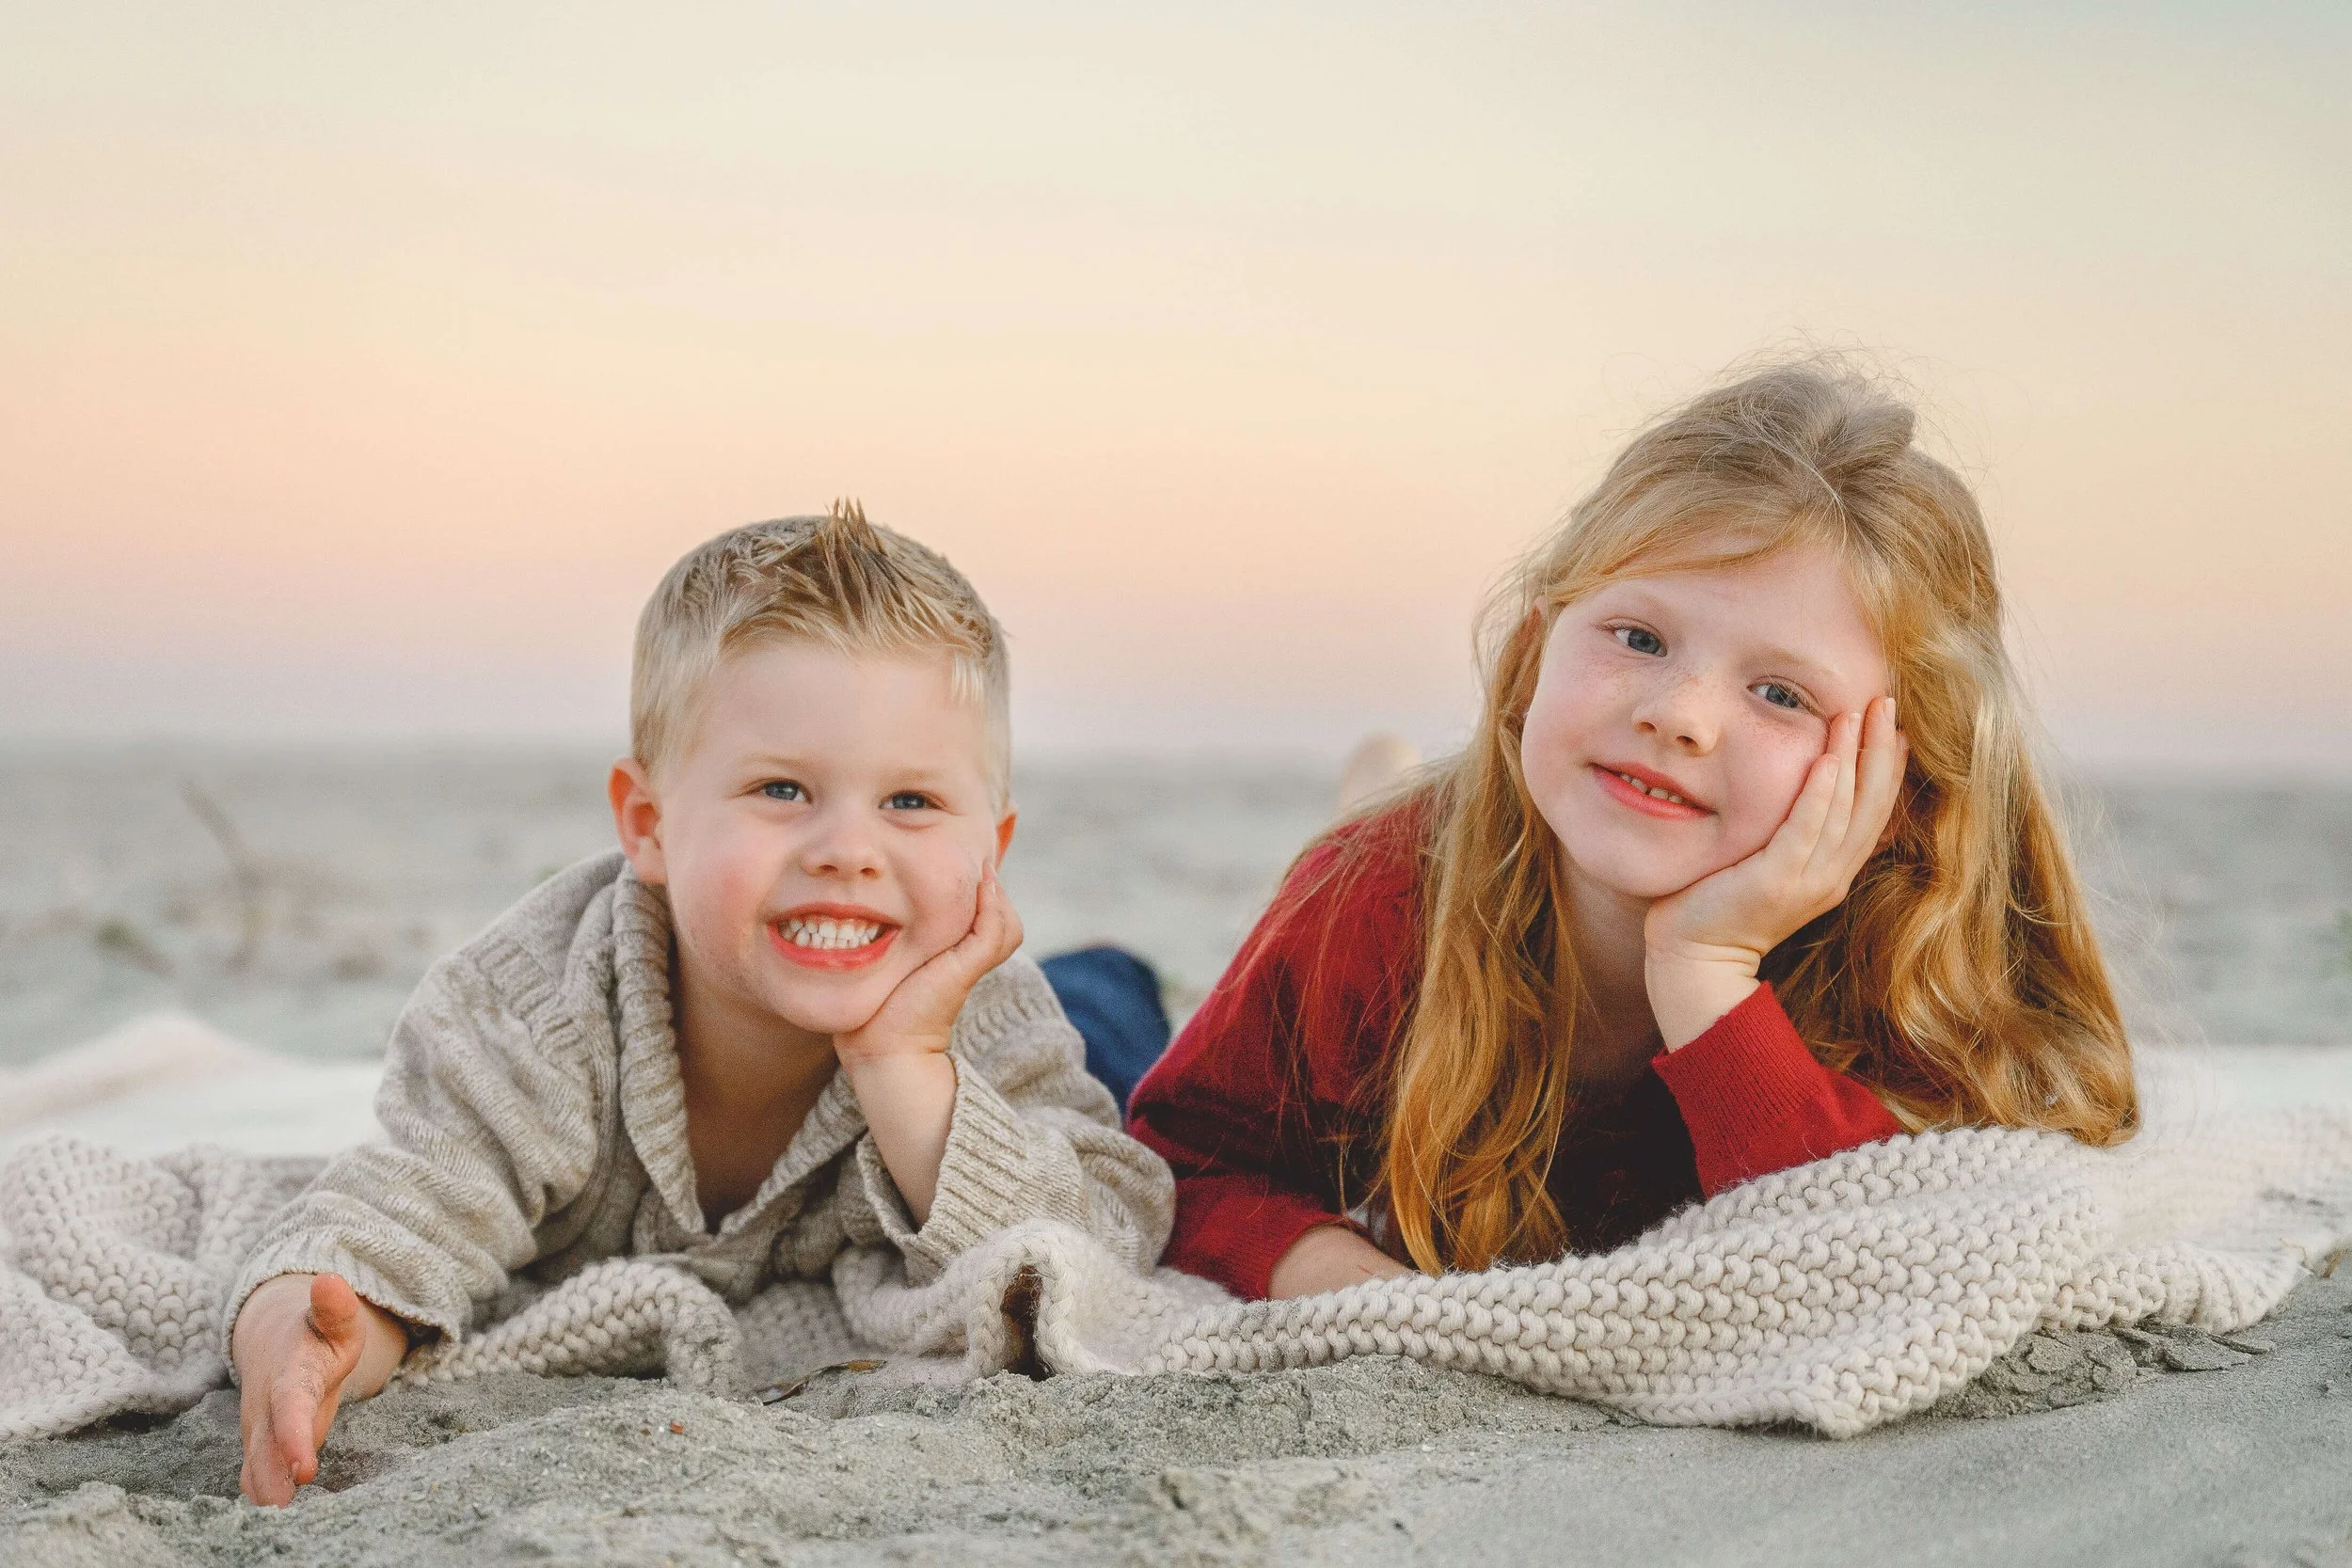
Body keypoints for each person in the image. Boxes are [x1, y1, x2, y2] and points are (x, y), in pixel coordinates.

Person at [1126, 360, 2138, 1302]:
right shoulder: (1373, 892)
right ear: (1532, 656)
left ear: (1899, 777)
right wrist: (1353, 1280)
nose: (1681, 714)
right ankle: (1366, 788)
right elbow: (1186, 1161)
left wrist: (1707, 967)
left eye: (1780, 693)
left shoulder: (1906, 954)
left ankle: (1381, 771)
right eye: (1639, 637)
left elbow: (1868, 1255)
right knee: (1108, 1014)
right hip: (1411, 859)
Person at [229, 503, 1174, 1505]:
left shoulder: (987, 1008)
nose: (847, 849)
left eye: (910, 802)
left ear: (993, 845)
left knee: (1117, 1014)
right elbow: (398, 1214)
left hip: (1069, 1019)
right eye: (781, 789)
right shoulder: (533, 1007)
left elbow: (1107, 1233)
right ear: (648, 824)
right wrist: (303, 1329)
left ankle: (1123, 962)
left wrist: (906, 1064)